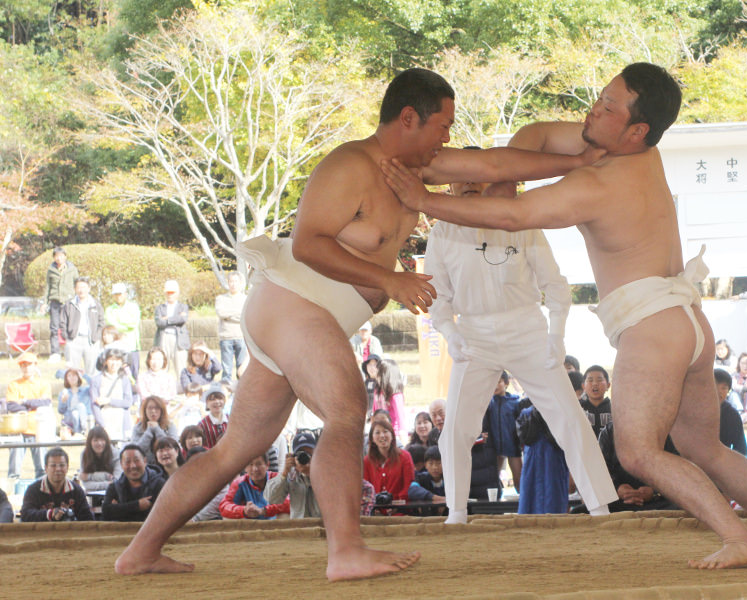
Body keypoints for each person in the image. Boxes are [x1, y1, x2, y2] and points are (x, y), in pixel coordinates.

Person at [114, 66, 605, 580]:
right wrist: (389, 280)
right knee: (348, 411)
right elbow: (308, 243)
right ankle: (345, 550)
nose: (447, 137)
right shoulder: (350, 165)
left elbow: (498, 162)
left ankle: (141, 551)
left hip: (307, 319)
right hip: (295, 305)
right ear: (409, 118)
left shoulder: (417, 169)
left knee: (235, 450)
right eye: (442, 125)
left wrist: (577, 161)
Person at [382, 62, 747, 568]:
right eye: (601, 97)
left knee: (639, 453)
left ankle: (738, 538)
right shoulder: (638, 153)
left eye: (609, 107)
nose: (595, 109)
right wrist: (494, 173)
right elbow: (534, 139)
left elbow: (513, 215)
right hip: (687, 322)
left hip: (652, 328)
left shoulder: (599, 185)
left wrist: (424, 199)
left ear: (636, 129)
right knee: (704, 447)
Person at [424, 163, 615, 524]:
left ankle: (599, 507)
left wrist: (556, 333)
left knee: (569, 417)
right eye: (460, 177)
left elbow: (555, 284)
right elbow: (437, 295)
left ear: (491, 180)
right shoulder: (442, 231)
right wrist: (450, 332)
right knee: (456, 428)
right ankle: (457, 511)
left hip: (527, 328)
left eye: (476, 175)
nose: (469, 182)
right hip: (473, 333)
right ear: (449, 186)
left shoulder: (522, 220)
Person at [598, 422, 680, 512]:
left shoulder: (662, 432)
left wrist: (654, 492)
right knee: (595, 507)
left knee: (682, 507)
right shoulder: (608, 432)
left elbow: (674, 472)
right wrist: (617, 488)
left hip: (656, 502)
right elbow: (600, 470)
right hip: (618, 502)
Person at [515, 402, 569, 514]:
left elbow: (562, 441)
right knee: (529, 508)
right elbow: (526, 439)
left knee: (554, 507)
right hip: (532, 469)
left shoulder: (561, 413)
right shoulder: (526, 414)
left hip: (554, 468)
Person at [5, 351, 52, 479]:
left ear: (35, 365)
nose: (26, 368)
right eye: (23, 365)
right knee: (14, 469)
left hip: (38, 429)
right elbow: (11, 405)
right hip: (18, 429)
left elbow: (45, 402)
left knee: (42, 468)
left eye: (29, 364)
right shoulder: (14, 384)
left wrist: (25, 402)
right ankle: (12, 487)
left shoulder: (43, 384)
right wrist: (32, 405)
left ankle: (42, 488)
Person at [20, 447, 94, 522]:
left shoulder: (76, 490)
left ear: (67, 467)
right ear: (46, 468)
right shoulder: (33, 490)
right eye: (53, 465)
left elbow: (88, 518)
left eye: (62, 465)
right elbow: (25, 515)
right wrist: (50, 514)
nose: (58, 469)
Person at [264, 430, 320, 519]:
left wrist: (310, 473)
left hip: (321, 524)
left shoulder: (324, 471)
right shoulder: (291, 474)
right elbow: (271, 498)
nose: (305, 457)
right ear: (294, 456)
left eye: (309, 453)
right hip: (299, 524)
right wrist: (284, 473)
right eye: (301, 453)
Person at [102, 444, 166, 522]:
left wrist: (119, 508)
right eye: (127, 462)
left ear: (145, 461)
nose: (133, 466)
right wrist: (137, 505)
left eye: (136, 460)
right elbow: (106, 513)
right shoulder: (114, 487)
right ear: (121, 464)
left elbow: (163, 514)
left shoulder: (159, 484)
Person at [482, 372, 522, 491]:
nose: (495, 385)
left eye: (498, 382)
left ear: (506, 383)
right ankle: (496, 499)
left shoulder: (515, 403)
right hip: (495, 448)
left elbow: (521, 425)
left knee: (519, 480)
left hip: (513, 446)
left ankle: (523, 500)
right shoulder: (488, 403)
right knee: (493, 480)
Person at [219, 454, 290, 520]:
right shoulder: (239, 483)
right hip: (249, 523)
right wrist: (243, 510)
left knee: (286, 514)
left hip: (274, 523)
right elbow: (224, 506)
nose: (255, 469)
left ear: (267, 465)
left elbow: (289, 502)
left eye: (259, 464)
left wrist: (263, 510)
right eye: (250, 464)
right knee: (227, 517)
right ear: (245, 468)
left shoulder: (277, 479)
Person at [363, 415, 415, 504]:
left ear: (392, 435)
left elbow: (409, 485)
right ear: (372, 438)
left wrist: (397, 504)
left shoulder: (405, 457)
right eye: (377, 432)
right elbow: (366, 488)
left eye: (385, 431)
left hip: (401, 507)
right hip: (375, 509)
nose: (382, 436)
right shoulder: (367, 461)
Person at [60, 277, 105, 377]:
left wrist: (96, 337)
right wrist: (67, 337)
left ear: (89, 288)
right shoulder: (69, 304)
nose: (81, 290)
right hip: (73, 340)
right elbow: (62, 322)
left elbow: (101, 322)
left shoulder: (96, 304)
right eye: (79, 287)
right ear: (75, 289)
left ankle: (91, 387)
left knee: (92, 371)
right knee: (72, 371)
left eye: (84, 287)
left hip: (91, 341)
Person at [90, 348, 135, 442]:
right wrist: (103, 426)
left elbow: (128, 402)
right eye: (111, 360)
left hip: (121, 420)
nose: (114, 363)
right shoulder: (96, 380)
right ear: (105, 361)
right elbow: (94, 405)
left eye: (117, 360)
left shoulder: (124, 379)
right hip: (104, 419)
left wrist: (109, 401)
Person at [43, 246, 78, 363]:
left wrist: (77, 300)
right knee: (54, 328)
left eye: (61, 256)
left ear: (65, 257)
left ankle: (70, 352)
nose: (59, 258)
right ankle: (55, 353)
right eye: (56, 256)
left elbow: (77, 284)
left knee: (70, 328)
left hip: (69, 302)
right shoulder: (51, 270)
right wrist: (45, 302)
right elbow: (48, 287)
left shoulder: (72, 269)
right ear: (54, 258)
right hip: (55, 302)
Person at [215, 272, 248, 385]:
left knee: (242, 369)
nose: (233, 284)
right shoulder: (221, 298)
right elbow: (221, 313)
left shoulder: (245, 299)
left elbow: (245, 315)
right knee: (226, 369)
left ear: (240, 283)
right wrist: (237, 313)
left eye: (235, 281)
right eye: (231, 281)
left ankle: (241, 390)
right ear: (228, 283)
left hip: (241, 336)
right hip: (226, 337)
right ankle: (226, 391)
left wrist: (229, 314)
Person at [153, 280, 190, 380]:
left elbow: (182, 319)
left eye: (172, 292)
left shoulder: (183, 306)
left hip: (179, 340)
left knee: (181, 368)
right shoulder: (159, 308)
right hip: (163, 338)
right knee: (162, 367)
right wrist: (175, 318)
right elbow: (159, 322)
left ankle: (182, 388)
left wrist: (167, 319)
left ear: (177, 293)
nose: (170, 295)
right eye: (168, 292)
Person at [105, 282, 142, 378]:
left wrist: (118, 323)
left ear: (125, 294)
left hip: (132, 347)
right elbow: (111, 326)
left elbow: (133, 324)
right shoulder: (109, 309)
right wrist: (125, 324)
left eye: (120, 294)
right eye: (116, 294)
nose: (118, 296)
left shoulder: (134, 307)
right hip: (116, 348)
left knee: (133, 375)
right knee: (117, 375)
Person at [131, 396, 178, 464]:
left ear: (162, 410)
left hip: (167, 464)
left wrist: (157, 429)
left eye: (157, 408)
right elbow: (136, 451)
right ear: (145, 410)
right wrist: (149, 431)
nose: (153, 411)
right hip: (145, 466)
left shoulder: (170, 426)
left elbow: (172, 447)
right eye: (150, 408)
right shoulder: (138, 427)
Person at [714, 369, 747, 456]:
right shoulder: (695, 411)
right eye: (714, 386)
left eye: (724, 388)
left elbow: (741, 450)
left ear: (728, 390)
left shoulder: (732, 415)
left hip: (721, 459)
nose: (719, 391)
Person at [372, 358, 406, 443]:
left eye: (378, 372)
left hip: (393, 435)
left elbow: (401, 418)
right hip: (379, 433)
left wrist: (403, 439)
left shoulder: (396, 395)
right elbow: (374, 412)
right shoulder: (377, 391)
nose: (376, 375)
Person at [79, 426, 122, 492]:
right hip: (92, 494)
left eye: (102, 440)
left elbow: (117, 481)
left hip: (113, 493)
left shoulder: (115, 454)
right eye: (95, 440)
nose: (99, 443)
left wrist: (89, 477)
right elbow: (86, 484)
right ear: (90, 442)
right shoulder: (84, 454)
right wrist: (106, 477)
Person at [407, 445, 446, 516]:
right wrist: (437, 498)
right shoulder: (421, 477)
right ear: (425, 465)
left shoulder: (449, 480)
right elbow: (412, 489)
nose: (435, 467)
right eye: (431, 463)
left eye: (439, 463)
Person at [580, 365, 612, 438]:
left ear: (608, 385)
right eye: (590, 380)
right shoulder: (578, 408)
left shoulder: (615, 409)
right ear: (583, 386)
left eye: (599, 380)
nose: (595, 383)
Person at [58, 367, 91, 435]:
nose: (72, 377)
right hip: (70, 419)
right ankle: (84, 430)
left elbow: (95, 385)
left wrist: (84, 375)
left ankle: (80, 431)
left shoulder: (85, 390)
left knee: (80, 407)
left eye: (74, 375)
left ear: (78, 377)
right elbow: (60, 411)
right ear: (66, 379)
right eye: (69, 376)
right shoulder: (64, 392)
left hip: (84, 417)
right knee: (75, 413)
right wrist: (63, 401)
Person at [197, 384, 229, 449]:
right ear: (207, 403)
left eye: (220, 398)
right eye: (212, 399)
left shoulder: (231, 420)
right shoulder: (202, 425)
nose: (217, 402)